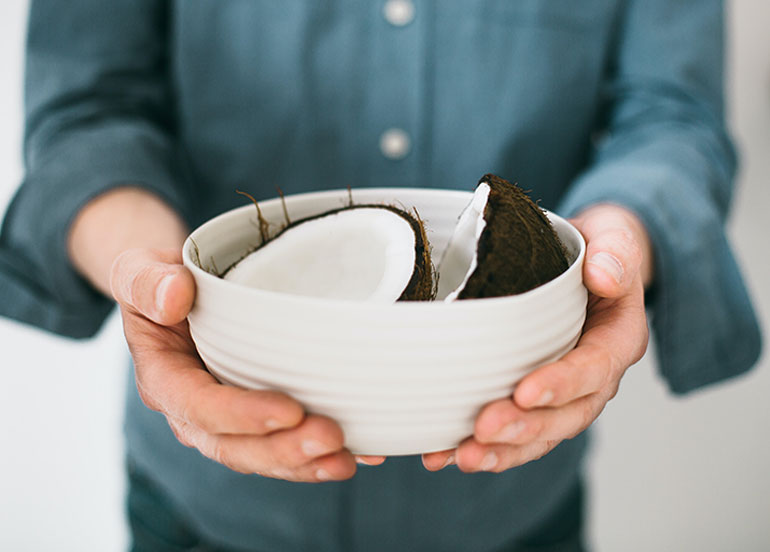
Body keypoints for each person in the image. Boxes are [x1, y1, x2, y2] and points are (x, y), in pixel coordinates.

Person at [0, 0, 761, 550]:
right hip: (206, 507)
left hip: (508, 509)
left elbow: (672, 117)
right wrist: (144, 268)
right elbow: (90, 108)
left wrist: (619, 243)